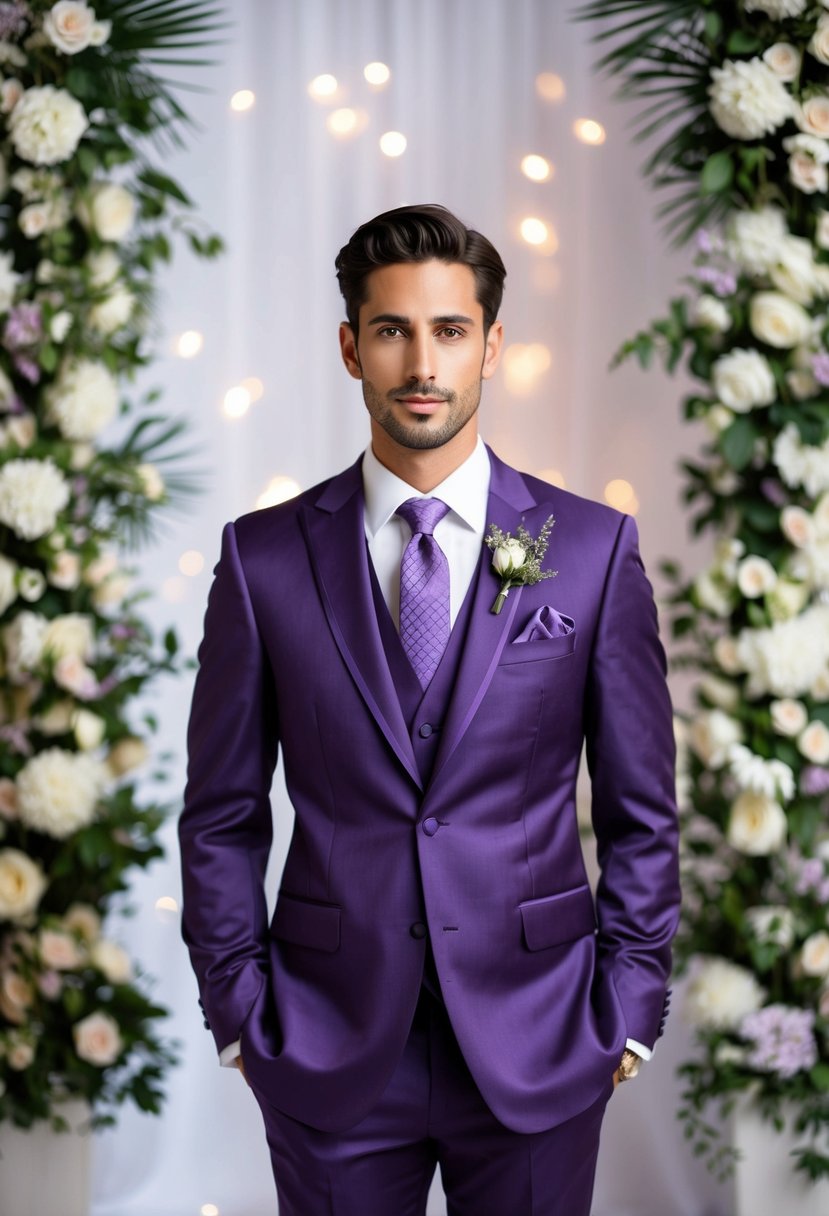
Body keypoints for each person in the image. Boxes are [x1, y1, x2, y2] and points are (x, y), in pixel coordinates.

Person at [179, 203, 681, 1216]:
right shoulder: (261, 558)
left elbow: (642, 810)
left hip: (541, 1036)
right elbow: (222, 811)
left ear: (491, 346)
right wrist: (238, 1009)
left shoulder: (589, 551)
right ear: (350, 347)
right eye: (392, 330)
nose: (421, 361)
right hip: (326, 1041)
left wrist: (627, 1008)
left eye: (449, 331)